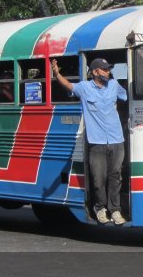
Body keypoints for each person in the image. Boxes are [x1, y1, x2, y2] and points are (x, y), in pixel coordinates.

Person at [52, 58, 127, 225]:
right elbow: (69, 86)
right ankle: (100, 208)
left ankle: (115, 211)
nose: (108, 72)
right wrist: (57, 74)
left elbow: (127, 97)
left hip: (116, 139)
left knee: (116, 177)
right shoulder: (85, 88)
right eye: (105, 69)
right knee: (98, 178)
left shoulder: (114, 85)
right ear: (95, 72)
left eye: (109, 69)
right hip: (96, 141)